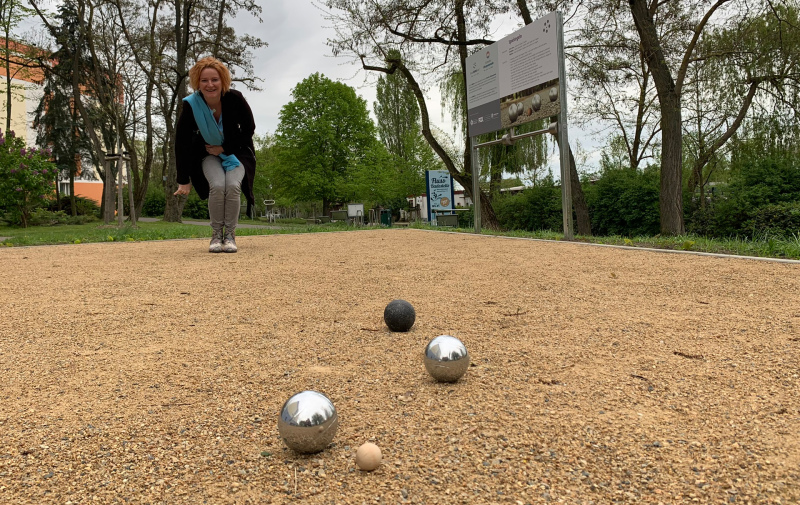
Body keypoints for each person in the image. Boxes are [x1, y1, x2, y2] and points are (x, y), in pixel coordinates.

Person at [174, 56, 256, 253]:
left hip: (237, 153)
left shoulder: (235, 99)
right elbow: (182, 142)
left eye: (214, 80)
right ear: (197, 83)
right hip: (208, 154)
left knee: (233, 186)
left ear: (222, 81)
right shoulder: (192, 105)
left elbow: (249, 129)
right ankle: (216, 235)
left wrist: (225, 148)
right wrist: (183, 179)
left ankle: (230, 236)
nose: (210, 84)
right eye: (204, 80)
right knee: (218, 186)